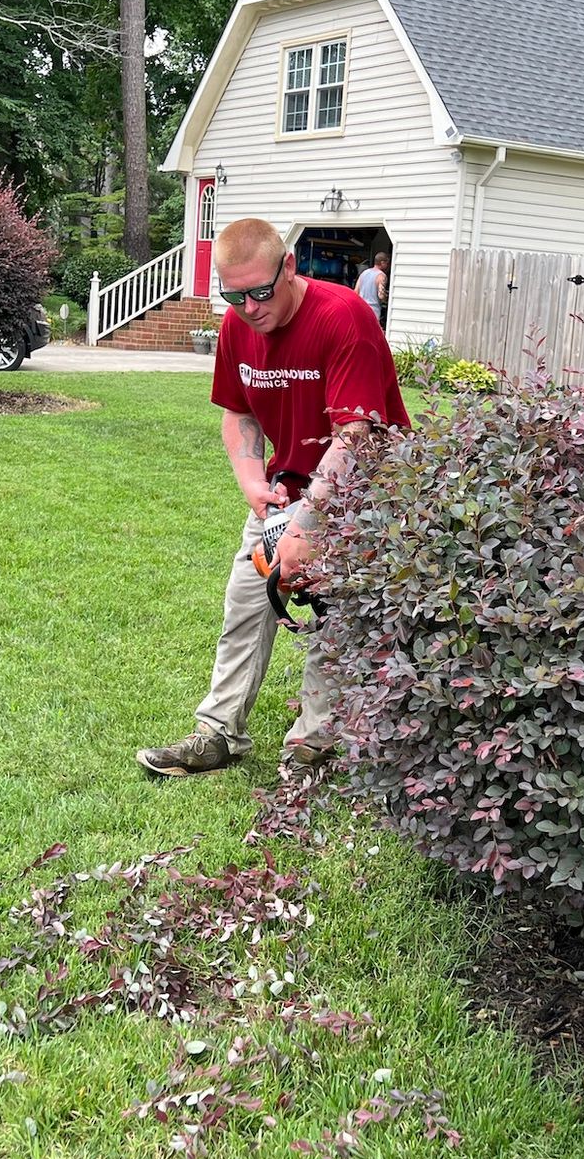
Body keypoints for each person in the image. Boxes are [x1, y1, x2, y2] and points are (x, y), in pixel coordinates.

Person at [136, 220, 410, 778]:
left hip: (364, 494)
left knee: (335, 620)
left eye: (260, 292)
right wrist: (251, 479)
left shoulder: (343, 318)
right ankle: (217, 736)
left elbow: (356, 437)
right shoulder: (239, 326)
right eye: (234, 296)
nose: (250, 308)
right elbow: (236, 411)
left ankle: (313, 746)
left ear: (289, 267)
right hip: (287, 491)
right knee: (246, 603)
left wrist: (308, 526)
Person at [354, 251, 389, 328]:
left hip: (360, 307)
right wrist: (386, 299)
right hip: (373, 310)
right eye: (387, 263)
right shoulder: (381, 276)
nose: (388, 265)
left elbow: (356, 292)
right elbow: (381, 295)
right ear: (382, 262)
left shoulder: (364, 273)